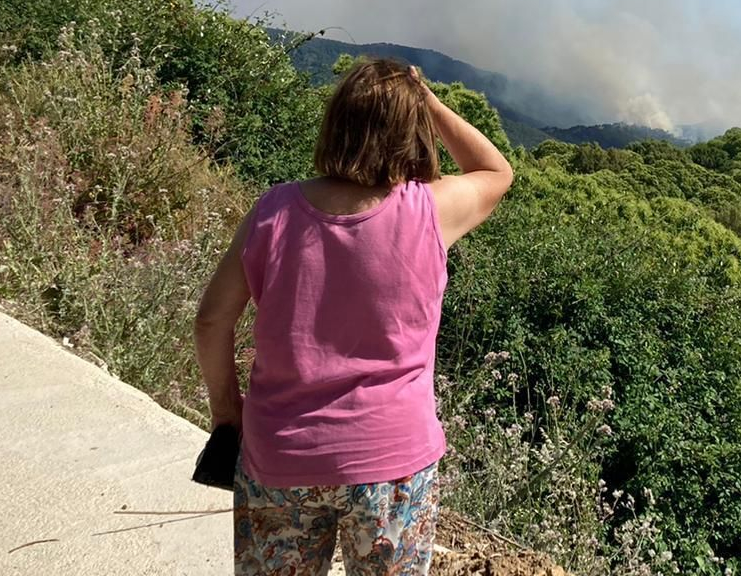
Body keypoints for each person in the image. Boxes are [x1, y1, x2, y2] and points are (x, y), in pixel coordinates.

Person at [195, 59, 514, 576]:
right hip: (394, 464)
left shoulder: (273, 212)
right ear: (410, 132)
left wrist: (229, 415)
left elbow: (211, 321)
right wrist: (426, 102)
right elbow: (497, 171)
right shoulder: (428, 211)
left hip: (281, 456)